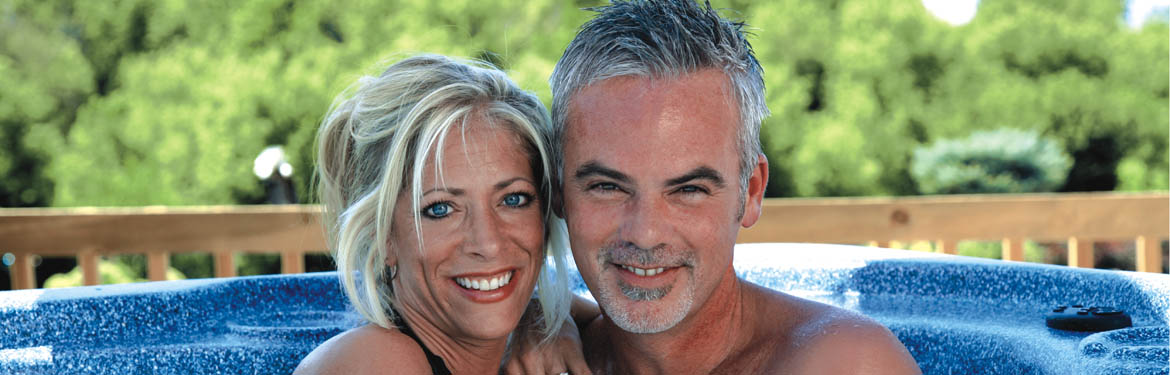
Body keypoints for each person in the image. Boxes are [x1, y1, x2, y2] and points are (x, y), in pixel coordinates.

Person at [548, 1, 922, 374]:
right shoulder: (541, 355)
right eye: (608, 187)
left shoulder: (844, 363)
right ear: (560, 191)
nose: (645, 234)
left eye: (688, 190)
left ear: (752, 191)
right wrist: (539, 320)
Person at [295, 54, 590, 375]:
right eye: (440, 209)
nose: (487, 243)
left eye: (513, 199)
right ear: (381, 237)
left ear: (545, 216)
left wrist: (550, 320)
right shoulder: (372, 361)